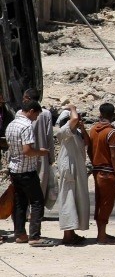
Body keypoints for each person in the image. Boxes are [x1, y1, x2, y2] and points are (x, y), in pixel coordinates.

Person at [6, 100, 50, 246]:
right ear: (31, 111)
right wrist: (41, 152)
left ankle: (20, 234)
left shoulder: (11, 124)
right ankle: (35, 237)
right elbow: (27, 150)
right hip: (27, 170)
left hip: (14, 169)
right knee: (37, 202)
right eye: (36, 114)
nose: (36, 118)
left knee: (20, 203)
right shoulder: (26, 126)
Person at [55, 106, 90, 246]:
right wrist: (72, 108)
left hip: (77, 168)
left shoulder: (77, 132)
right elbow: (74, 118)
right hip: (69, 168)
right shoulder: (64, 131)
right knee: (68, 199)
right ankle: (67, 235)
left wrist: (83, 127)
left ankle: (72, 232)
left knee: (77, 199)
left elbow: (87, 142)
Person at [89, 103, 115, 245]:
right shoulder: (111, 132)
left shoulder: (93, 130)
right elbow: (113, 155)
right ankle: (102, 237)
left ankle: (101, 233)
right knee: (107, 204)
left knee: (99, 203)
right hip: (108, 172)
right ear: (113, 115)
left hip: (97, 170)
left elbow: (90, 150)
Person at [22, 89, 54, 210]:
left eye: (24, 98)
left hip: (26, 153)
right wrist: (50, 157)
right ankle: (36, 212)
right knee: (40, 184)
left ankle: (27, 211)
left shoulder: (21, 113)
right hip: (42, 154)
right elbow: (49, 136)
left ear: (28, 99)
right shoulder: (46, 114)